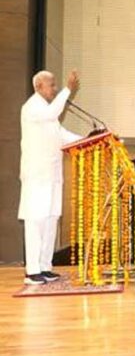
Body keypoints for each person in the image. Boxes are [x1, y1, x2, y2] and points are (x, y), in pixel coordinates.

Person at [18, 70, 82, 285]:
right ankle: (32, 271)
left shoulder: (49, 115)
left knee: (51, 220)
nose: (54, 89)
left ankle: (45, 266)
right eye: (51, 85)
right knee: (36, 221)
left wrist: (91, 138)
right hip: (37, 176)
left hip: (52, 177)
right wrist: (68, 90)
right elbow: (52, 113)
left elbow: (64, 136)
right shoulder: (32, 108)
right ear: (38, 87)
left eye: (56, 85)